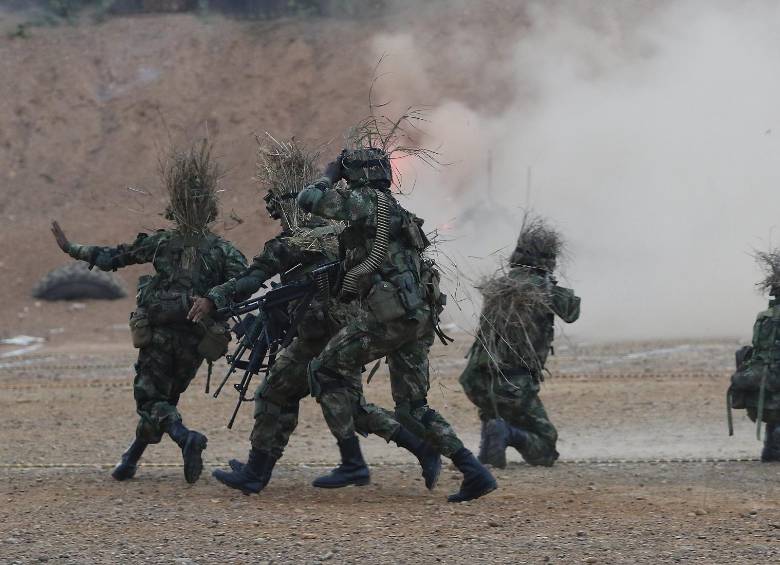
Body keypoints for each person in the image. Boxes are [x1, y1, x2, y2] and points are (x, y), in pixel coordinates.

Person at [188, 139, 441, 494]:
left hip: (334, 332)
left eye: (276, 203)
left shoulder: (300, 240)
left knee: (340, 401)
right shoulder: (343, 228)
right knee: (280, 392)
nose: (273, 209)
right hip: (327, 330)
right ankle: (259, 471)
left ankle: (385, 457)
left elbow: (252, 277)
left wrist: (215, 298)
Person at [295, 146, 497, 503]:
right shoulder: (395, 210)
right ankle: (473, 470)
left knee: (324, 370)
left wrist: (329, 173)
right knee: (412, 407)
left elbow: (308, 200)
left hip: (389, 318)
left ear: (355, 174)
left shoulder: (365, 201)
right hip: (417, 317)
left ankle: (352, 460)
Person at [51, 141, 248, 484]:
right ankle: (130, 461)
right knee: (165, 399)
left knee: (151, 400)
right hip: (195, 339)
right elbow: (244, 283)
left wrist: (73, 249)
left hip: (158, 334)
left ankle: (186, 438)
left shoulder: (161, 243)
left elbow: (115, 257)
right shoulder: (223, 251)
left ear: (177, 208)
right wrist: (213, 301)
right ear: (210, 211)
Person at [460, 216, 580, 469]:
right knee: (546, 448)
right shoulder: (541, 289)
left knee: (496, 407)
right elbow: (572, 311)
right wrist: (549, 283)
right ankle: (505, 434)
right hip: (513, 384)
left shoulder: (499, 286)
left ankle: (490, 445)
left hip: (476, 380)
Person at [728, 249, 780, 462]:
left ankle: (771, 449)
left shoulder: (764, 316)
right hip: (774, 372)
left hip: (765, 373)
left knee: (774, 414)